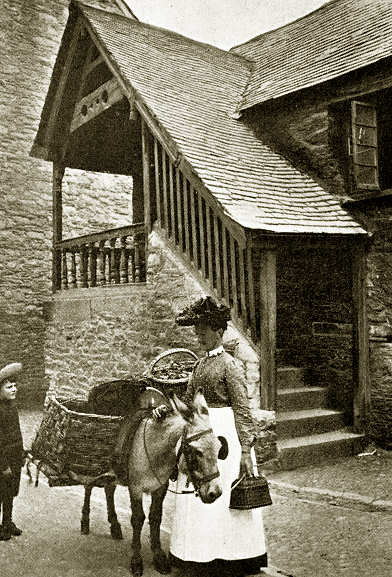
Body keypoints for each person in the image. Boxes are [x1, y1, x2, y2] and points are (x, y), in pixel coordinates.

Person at [160, 296, 268, 576]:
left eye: (204, 330)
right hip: (199, 433)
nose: (199, 335)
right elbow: (186, 400)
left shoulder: (230, 365)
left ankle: (230, 556)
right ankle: (196, 553)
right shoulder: (198, 365)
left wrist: (246, 449)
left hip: (225, 437)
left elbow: (243, 409)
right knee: (195, 491)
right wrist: (166, 408)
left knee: (221, 499)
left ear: (219, 332)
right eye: (197, 330)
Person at [0, 362, 24, 541]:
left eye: (15, 386)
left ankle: (7, 522)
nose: (14, 389)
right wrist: (4, 465)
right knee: (1, 493)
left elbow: (17, 433)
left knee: (11, 492)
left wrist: (22, 453)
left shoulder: (12, 406)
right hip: (4, 460)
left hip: (14, 457)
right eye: (9, 387)